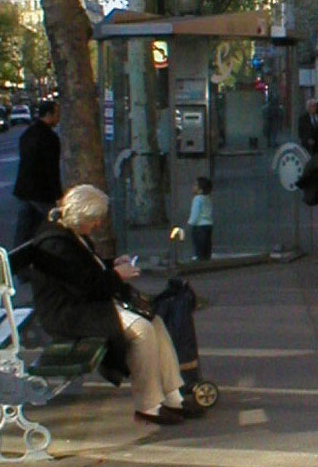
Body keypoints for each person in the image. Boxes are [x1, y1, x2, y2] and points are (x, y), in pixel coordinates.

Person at [27, 184, 202, 426]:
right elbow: (86, 285)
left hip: (84, 304)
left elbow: (86, 272)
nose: (98, 225)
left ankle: (173, 395)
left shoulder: (69, 232)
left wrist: (110, 265)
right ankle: (148, 405)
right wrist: (117, 275)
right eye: (95, 220)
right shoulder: (56, 243)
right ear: (80, 217)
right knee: (142, 329)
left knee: (155, 320)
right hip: (69, 314)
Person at [12, 99, 62, 250]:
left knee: (24, 229)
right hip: (42, 191)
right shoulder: (50, 137)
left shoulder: (28, 133)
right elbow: (51, 168)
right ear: (49, 114)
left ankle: (18, 261)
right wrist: (58, 195)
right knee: (54, 226)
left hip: (24, 189)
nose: (58, 118)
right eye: (57, 114)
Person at [188, 176, 213, 261]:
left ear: (200, 189)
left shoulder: (197, 199)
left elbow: (195, 212)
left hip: (199, 226)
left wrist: (191, 222)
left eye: (195, 185)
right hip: (208, 224)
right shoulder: (207, 198)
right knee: (206, 243)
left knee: (198, 243)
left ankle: (198, 257)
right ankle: (206, 257)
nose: (193, 187)